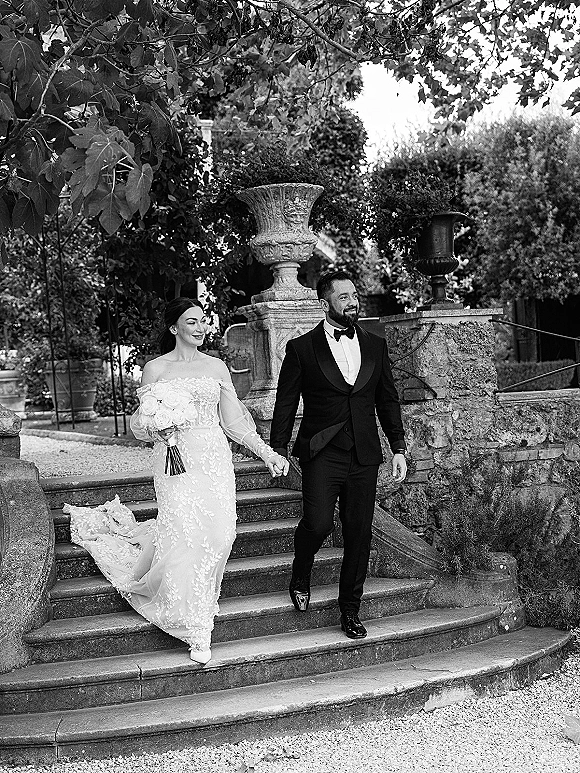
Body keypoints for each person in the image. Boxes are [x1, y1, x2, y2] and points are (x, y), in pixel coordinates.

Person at [65, 298, 288, 665]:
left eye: (203, 321)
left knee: (221, 534)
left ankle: (192, 600)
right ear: (174, 328)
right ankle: (196, 626)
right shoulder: (155, 369)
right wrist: (160, 426)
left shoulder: (216, 366)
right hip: (174, 464)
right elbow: (140, 426)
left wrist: (266, 452)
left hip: (213, 460)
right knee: (185, 532)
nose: (200, 328)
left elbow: (232, 422)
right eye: (191, 322)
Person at [269, 270, 407, 640]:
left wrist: (398, 447)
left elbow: (387, 399)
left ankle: (350, 610)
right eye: (343, 296)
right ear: (324, 303)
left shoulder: (375, 345)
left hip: (365, 453)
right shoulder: (301, 349)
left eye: (354, 294)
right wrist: (278, 449)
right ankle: (302, 569)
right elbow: (285, 403)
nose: (352, 301)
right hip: (322, 451)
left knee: (359, 532)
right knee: (318, 524)